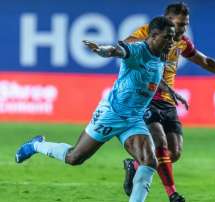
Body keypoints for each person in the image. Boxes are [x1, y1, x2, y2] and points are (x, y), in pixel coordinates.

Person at [15, 16, 176, 202]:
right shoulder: (138, 50)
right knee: (75, 158)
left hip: (133, 119)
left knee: (149, 161)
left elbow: (151, 73)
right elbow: (117, 50)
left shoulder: (161, 55)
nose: (172, 42)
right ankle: (36, 145)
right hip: (111, 114)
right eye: (168, 37)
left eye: (172, 38)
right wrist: (101, 50)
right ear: (154, 35)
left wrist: (167, 88)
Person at [121, 2, 215, 202]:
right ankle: (173, 194)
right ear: (168, 22)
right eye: (179, 24)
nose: (183, 29)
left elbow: (207, 62)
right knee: (159, 141)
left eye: (186, 24)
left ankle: (134, 165)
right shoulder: (148, 32)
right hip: (146, 98)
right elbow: (125, 47)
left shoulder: (183, 42)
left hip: (168, 101)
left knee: (174, 153)